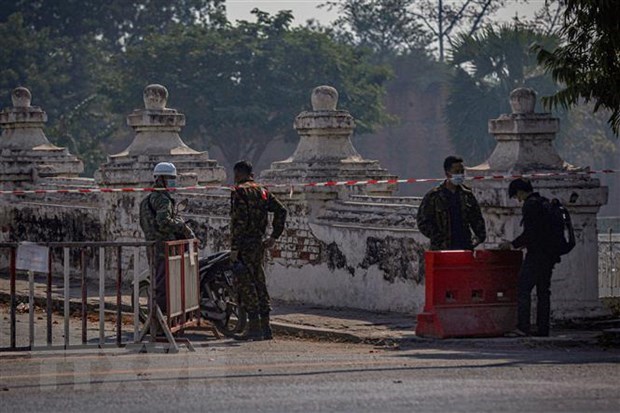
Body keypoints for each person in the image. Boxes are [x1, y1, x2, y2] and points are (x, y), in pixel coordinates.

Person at [230, 160, 287, 341]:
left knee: (247, 285)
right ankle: (266, 328)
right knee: (260, 283)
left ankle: (253, 328)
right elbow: (281, 210)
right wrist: (273, 236)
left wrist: (234, 248)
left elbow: (239, 222)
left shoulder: (239, 192)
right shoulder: (262, 191)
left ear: (238, 174)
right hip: (259, 243)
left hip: (245, 245)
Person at [500, 178, 559, 337]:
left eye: (516, 196)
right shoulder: (544, 202)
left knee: (523, 289)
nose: (517, 199)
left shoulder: (530, 205)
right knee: (543, 291)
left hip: (536, 255)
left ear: (520, 192)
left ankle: (523, 327)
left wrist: (512, 244)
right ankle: (543, 328)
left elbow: (530, 233)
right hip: (549, 255)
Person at [139, 162, 195, 314]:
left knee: (158, 283)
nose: (172, 181)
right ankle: (162, 321)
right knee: (164, 285)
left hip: (152, 246)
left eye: (173, 178)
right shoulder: (163, 199)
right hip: (164, 248)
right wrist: (182, 227)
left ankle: (156, 318)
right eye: (169, 178)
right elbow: (163, 222)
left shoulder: (146, 200)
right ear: (160, 179)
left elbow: (144, 224)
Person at [416, 155, 486, 250]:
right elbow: (423, 221)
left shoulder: (467, 195)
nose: (460, 175)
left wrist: (479, 236)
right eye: (457, 172)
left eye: (462, 172)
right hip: (442, 249)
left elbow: (477, 218)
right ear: (448, 174)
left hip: (464, 247)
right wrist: (438, 237)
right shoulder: (434, 196)